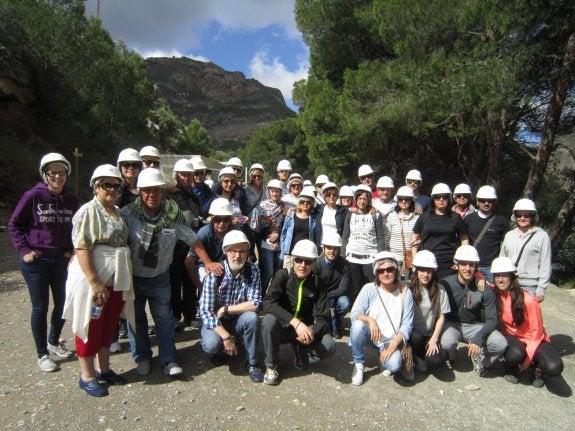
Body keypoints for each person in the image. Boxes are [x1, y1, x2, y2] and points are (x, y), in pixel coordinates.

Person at [122, 168, 223, 377]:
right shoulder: (127, 214)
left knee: (165, 319)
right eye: (147, 190)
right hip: (133, 278)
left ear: (163, 192)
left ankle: (168, 358)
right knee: (136, 320)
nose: (152, 195)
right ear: (140, 192)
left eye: (157, 190)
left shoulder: (172, 213)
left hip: (160, 277)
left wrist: (208, 261)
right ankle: (142, 356)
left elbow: (192, 239)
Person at [62, 164, 133, 397]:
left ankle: (105, 369)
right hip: (95, 276)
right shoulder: (88, 211)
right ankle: (87, 375)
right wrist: (94, 282)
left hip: (115, 277)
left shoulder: (117, 212)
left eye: (115, 185)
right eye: (106, 185)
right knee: (90, 323)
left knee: (108, 323)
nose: (111, 189)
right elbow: (82, 247)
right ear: (95, 187)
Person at [8, 153, 79, 372]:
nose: (57, 176)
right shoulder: (33, 196)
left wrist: (70, 250)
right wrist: (25, 250)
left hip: (60, 261)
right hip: (36, 262)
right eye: (53, 172)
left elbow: (77, 228)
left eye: (62, 172)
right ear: (45, 174)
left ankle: (54, 341)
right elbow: (14, 225)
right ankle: (42, 354)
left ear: (67, 173)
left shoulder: (71, 199)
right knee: (40, 307)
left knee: (62, 304)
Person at [261, 240, 335, 385]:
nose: (302, 265)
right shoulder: (283, 275)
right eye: (299, 260)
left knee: (329, 345)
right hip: (282, 327)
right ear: (293, 260)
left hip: (303, 331)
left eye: (308, 262)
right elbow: (268, 303)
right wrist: (295, 322)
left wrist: (312, 333)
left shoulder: (318, 283)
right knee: (268, 321)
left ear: (313, 263)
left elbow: (324, 317)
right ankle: (271, 365)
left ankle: (300, 351)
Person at [199, 230, 264, 382]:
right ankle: (220, 349)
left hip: (236, 319)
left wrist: (226, 308)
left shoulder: (253, 271)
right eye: (233, 251)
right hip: (216, 321)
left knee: (252, 318)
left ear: (248, 252)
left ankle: (252, 363)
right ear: (225, 251)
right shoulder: (215, 273)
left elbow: (255, 303)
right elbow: (206, 311)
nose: (237, 256)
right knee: (211, 344)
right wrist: (226, 336)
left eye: (242, 251)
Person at [491, 257, 563, 387]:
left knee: (554, 367)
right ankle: (510, 366)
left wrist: (528, 358)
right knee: (516, 355)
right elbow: (480, 283)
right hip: (513, 338)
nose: (500, 279)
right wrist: (479, 275)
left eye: (505, 275)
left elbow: (536, 333)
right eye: (497, 276)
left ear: (512, 277)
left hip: (534, 339)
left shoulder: (528, 300)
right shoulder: (495, 293)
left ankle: (537, 368)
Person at [439, 245, 507, 376]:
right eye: (463, 264)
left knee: (500, 343)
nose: (467, 268)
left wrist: (478, 338)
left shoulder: (484, 288)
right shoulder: (445, 284)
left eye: (471, 265)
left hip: (475, 325)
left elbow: (492, 318)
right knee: (447, 342)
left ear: (476, 266)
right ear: (456, 265)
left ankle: (481, 359)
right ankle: (450, 355)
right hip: (452, 324)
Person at [350, 251, 414, 385]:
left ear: (396, 270)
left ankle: (383, 359)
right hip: (371, 336)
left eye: (390, 269)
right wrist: (370, 320)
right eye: (381, 270)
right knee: (357, 326)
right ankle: (358, 364)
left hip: (389, 341)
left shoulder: (405, 293)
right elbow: (355, 313)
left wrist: (391, 348)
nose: (386, 273)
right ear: (376, 273)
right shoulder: (369, 289)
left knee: (395, 365)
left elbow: (407, 324)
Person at [167, 159, 204, 331]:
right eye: (183, 174)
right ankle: (175, 316)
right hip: (175, 245)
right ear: (177, 175)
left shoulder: (194, 195)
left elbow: (199, 214)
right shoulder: (169, 194)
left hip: (192, 243)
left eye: (190, 174)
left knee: (190, 281)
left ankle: (190, 315)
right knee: (174, 282)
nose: (187, 177)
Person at [411, 183, 468, 280]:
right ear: (433, 199)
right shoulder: (424, 216)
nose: (441, 199)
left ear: (449, 199)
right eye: (437, 197)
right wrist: (415, 261)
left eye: (444, 197)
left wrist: (460, 261)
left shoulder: (455, 217)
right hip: (426, 263)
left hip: (449, 264)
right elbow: (414, 238)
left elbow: (464, 239)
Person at [500, 198, 551, 302]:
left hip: (530, 287)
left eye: (526, 215)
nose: (522, 218)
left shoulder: (542, 236)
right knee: (508, 317)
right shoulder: (509, 235)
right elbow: (502, 259)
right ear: (515, 216)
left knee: (528, 317)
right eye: (519, 215)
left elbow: (545, 264)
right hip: (509, 284)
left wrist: (541, 288)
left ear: (533, 216)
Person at [342, 185, 386, 301]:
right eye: (360, 198)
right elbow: (345, 236)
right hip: (352, 257)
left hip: (370, 257)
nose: (362, 201)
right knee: (355, 288)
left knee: (371, 287)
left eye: (365, 199)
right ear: (356, 199)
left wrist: (380, 256)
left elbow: (380, 237)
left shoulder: (376, 215)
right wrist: (343, 255)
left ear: (369, 200)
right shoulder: (350, 214)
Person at [185, 198, 235, 299]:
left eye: (226, 220)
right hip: (205, 268)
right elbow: (189, 261)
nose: (221, 223)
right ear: (212, 219)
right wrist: (200, 286)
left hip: (228, 268)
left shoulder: (235, 233)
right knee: (209, 283)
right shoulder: (204, 233)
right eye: (217, 219)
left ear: (230, 220)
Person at [408, 251, 449, 372]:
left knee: (436, 362)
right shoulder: (408, 289)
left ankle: (422, 357)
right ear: (416, 271)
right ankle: (415, 356)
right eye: (422, 270)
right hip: (413, 336)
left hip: (429, 335)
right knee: (417, 336)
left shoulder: (440, 290)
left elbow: (441, 317)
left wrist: (434, 339)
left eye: (429, 271)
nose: (426, 274)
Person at [464, 185, 508, 283]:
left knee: (492, 295)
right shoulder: (468, 219)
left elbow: (506, 245)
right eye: (483, 200)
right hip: (471, 266)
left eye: (490, 200)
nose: (486, 203)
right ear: (477, 201)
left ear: (494, 202)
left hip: (492, 267)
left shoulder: (501, 221)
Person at [314, 232, 352, 339]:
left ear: (339, 249)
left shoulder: (345, 265)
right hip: (322, 296)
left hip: (337, 295)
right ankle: (329, 322)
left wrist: (328, 296)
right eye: (329, 248)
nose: (332, 251)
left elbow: (343, 288)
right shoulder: (317, 264)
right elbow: (314, 287)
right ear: (323, 249)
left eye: (335, 248)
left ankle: (338, 323)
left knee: (345, 303)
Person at [257, 179, 286, 291]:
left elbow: (285, 224)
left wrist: (277, 235)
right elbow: (260, 224)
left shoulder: (283, 206)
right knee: (268, 272)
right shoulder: (262, 206)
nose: (275, 194)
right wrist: (270, 236)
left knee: (276, 274)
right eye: (272, 191)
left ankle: (272, 297)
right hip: (266, 242)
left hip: (279, 243)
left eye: (277, 191)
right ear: (268, 192)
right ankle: (261, 296)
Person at [280, 187, 318, 269]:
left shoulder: (314, 218)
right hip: (290, 253)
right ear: (299, 202)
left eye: (308, 202)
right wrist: (283, 252)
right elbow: (284, 234)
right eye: (303, 201)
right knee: (289, 278)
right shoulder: (291, 215)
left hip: (306, 254)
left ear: (312, 204)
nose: (305, 204)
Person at [386, 186, 419, 280]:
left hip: (412, 260)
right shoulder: (391, 217)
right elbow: (386, 238)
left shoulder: (418, 217)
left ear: (412, 200)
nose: (403, 202)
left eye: (407, 199)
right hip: (394, 260)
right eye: (401, 199)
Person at [314, 182, 347, 248]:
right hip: (321, 246)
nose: (331, 197)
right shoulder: (318, 209)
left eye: (334, 194)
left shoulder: (343, 210)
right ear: (324, 196)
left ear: (337, 196)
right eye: (328, 195)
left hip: (336, 246)